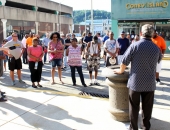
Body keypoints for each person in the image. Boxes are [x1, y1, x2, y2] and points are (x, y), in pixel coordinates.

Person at [114, 24, 162, 130]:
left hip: (135, 82)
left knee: (134, 107)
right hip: (150, 83)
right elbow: (158, 61)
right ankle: (145, 127)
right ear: (152, 34)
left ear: (141, 33)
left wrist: (120, 71)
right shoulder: (156, 48)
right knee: (147, 108)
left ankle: (133, 128)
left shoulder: (135, 45)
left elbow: (124, 62)